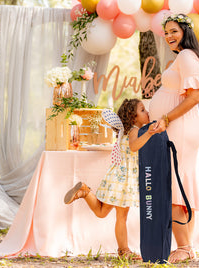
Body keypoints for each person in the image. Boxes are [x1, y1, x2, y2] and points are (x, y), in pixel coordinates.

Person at [64, 98, 157, 260]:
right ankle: (124, 250)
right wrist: (150, 132)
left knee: (101, 212)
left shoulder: (126, 131)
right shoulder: (135, 130)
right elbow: (134, 147)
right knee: (121, 217)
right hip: (124, 179)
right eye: (142, 110)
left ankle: (85, 191)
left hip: (118, 176)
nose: (147, 112)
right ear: (133, 117)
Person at [149, 13, 199, 263]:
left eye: (174, 30)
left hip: (180, 129)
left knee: (174, 185)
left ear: (186, 31)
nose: (169, 36)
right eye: (166, 32)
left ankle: (184, 247)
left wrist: (166, 118)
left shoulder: (186, 56)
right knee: (179, 184)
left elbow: (194, 97)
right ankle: (187, 246)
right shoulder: (183, 58)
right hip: (179, 127)